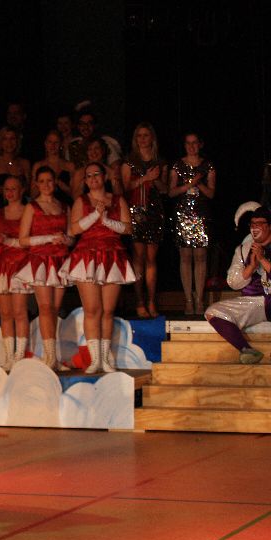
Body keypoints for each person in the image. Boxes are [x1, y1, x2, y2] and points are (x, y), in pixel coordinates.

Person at [61, 162, 136, 373]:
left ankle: (105, 357)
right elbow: (74, 230)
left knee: (108, 310)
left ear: (104, 177)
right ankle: (95, 359)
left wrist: (107, 220)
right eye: (89, 175)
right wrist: (95, 215)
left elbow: (128, 228)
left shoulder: (118, 200)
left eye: (96, 174)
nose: (93, 178)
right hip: (87, 256)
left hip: (113, 255)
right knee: (92, 310)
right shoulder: (81, 201)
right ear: (85, 181)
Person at [16, 166, 73, 371]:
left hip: (59, 260)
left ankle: (52, 356)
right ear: (36, 184)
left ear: (55, 182)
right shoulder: (32, 207)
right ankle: (49, 357)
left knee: (54, 309)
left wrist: (65, 239)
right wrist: (49, 238)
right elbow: (23, 240)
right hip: (41, 260)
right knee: (46, 307)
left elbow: (71, 236)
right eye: (42, 181)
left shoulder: (63, 206)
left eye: (50, 180)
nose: (46, 185)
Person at [204, 207, 271, 364]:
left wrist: (262, 259)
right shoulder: (243, 249)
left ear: (269, 226)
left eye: (259, 224)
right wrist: (250, 268)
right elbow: (233, 282)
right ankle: (246, 350)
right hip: (256, 302)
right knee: (213, 312)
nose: (255, 228)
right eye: (252, 224)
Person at [0, 175, 32, 371]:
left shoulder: (28, 210)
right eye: (6, 189)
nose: (10, 193)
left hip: (20, 263)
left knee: (19, 311)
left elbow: (28, 240)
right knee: (5, 313)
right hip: (2, 264)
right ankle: (10, 355)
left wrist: (8, 240)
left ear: (22, 190)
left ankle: (20, 356)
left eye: (13, 189)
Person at [121, 122, 168, 318]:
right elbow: (125, 188)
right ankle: (139, 301)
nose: (142, 139)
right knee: (138, 258)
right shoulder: (129, 162)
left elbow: (165, 189)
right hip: (135, 211)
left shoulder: (160, 162)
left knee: (151, 259)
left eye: (146, 135)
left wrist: (154, 179)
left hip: (154, 211)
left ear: (152, 138)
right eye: (139, 135)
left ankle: (151, 301)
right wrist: (145, 178)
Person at [169, 132, 216, 314]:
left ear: (200, 144)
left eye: (194, 143)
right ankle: (188, 299)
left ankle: (199, 299)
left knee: (201, 256)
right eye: (188, 143)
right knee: (185, 256)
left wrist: (198, 183)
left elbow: (211, 193)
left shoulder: (207, 165)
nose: (191, 146)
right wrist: (189, 184)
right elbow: (171, 192)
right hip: (183, 214)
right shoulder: (177, 165)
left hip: (201, 215)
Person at [0, 126, 31, 212]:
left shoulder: (24, 163)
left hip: (21, 209)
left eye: (12, 138)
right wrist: (10, 189)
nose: (9, 142)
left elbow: (29, 189)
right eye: (5, 139)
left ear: (17, 141)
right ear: (0, 142)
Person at [31, 130, 75, 205]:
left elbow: (74, 193)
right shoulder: (38, 165)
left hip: (65, 205)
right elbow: (32, 194)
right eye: (50, 142)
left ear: (61, 144)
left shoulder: (69, 166)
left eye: (56, 142)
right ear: (45, 144)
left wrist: (59, 183)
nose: (53, 145)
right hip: (44, 205)